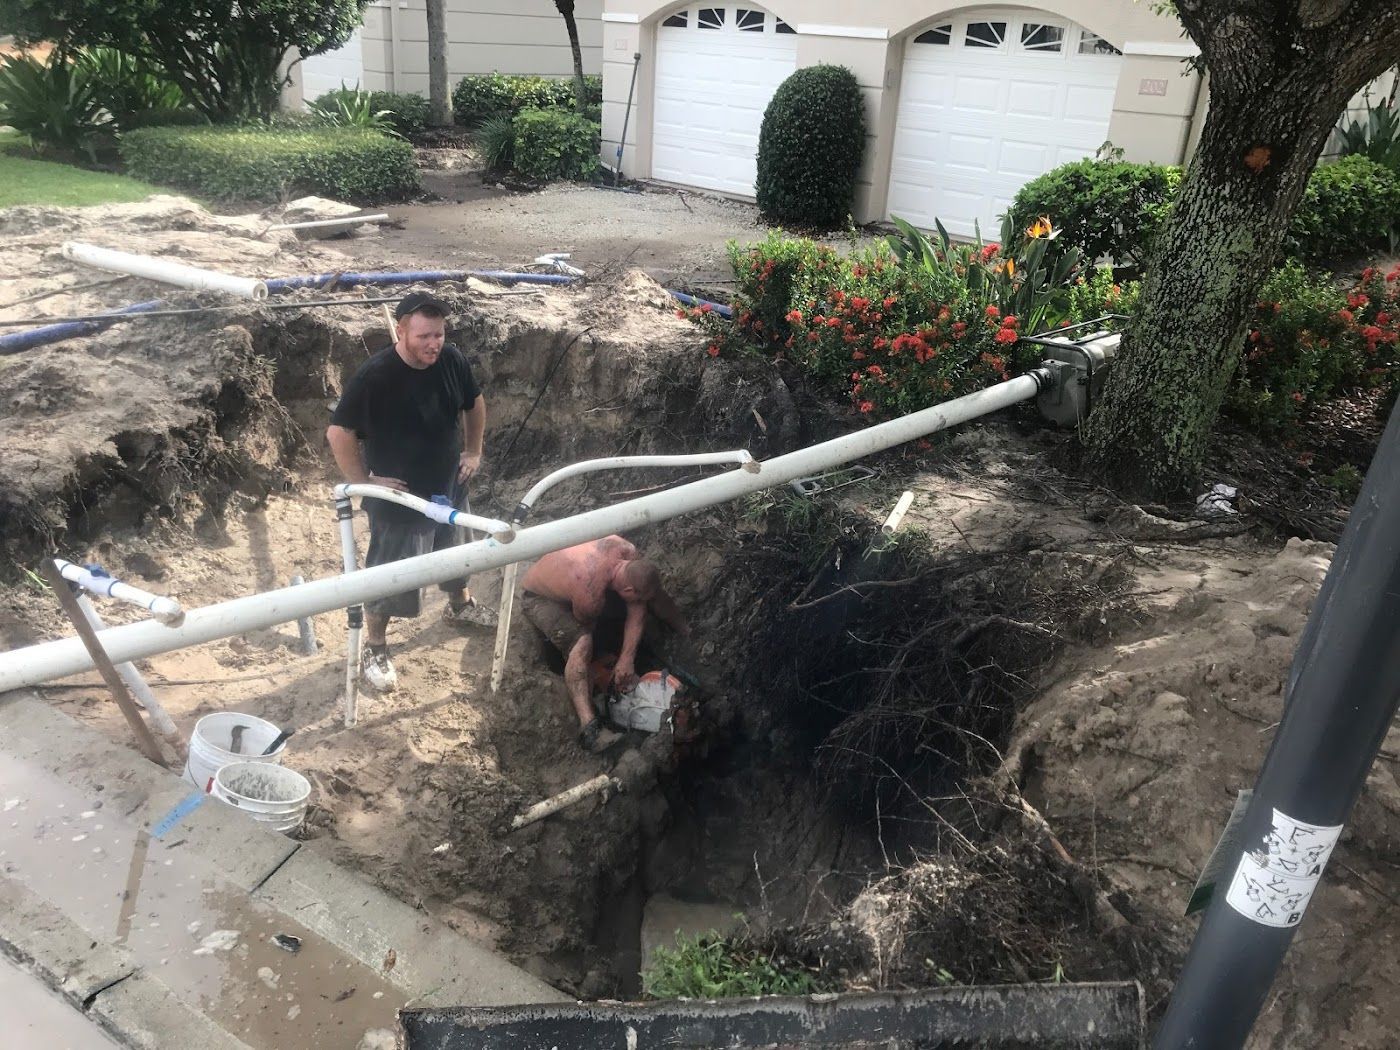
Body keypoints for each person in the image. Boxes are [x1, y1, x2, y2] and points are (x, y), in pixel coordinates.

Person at [326, 290, 496, 693]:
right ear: (401, 331)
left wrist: (473, 451)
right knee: (392, 578)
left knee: (457, 554)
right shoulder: (376, 377)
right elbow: (339, 432)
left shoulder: (451, 360)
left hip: (449, 486)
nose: (434, 344)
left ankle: (459, 606)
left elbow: (474, 403)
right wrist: (365, 482)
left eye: (439, 334)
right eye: (424, 336)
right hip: (401, 501)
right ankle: (376, 646)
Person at [521, 535, 689, 753]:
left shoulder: (627, 551)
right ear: (627, 591)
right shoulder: (590, 593)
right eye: (635, 597)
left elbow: (637, 607)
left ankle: (688, 633)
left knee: (650, 591)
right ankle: (589, 728)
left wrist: (626, 659)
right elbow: (588, 625)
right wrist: (601, 665)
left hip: (580, 579)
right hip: (540, 598)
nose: (639, 602)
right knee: (582, 643)